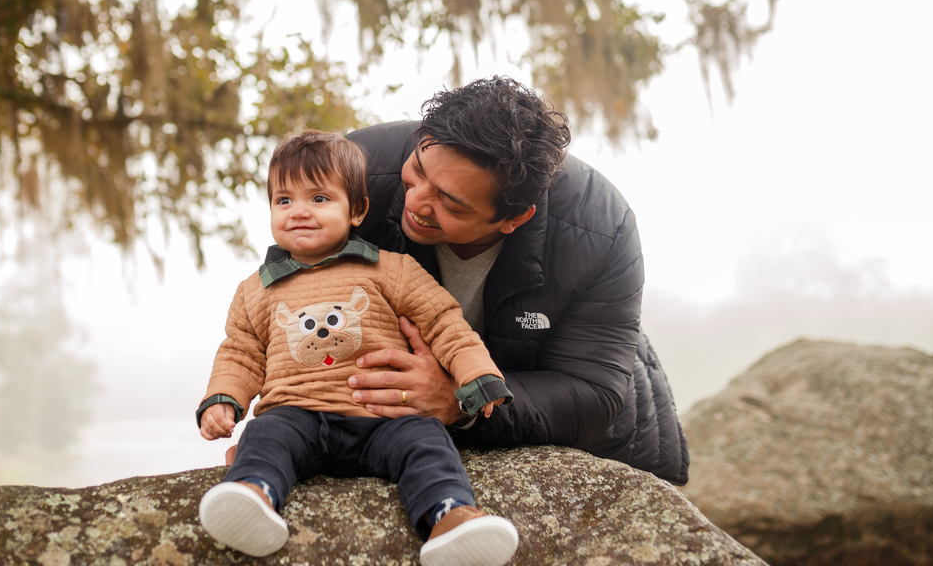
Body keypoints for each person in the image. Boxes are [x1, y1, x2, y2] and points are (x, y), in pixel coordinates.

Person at [196, 130, 519, 565]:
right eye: (284, 200)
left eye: (319, 199)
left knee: (425, 439)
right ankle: (253, 495)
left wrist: (476, 374)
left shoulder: (391, 270)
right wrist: (224, 400)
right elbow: (240, 352)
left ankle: (449, 518)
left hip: (383, 420)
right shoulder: (256, 290)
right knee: (265, 435)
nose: (300, 213)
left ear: (357, 210)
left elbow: (445, 323)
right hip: (298, 416)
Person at [346, 76, 689, 485]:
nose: (416, 201)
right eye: (417, 169)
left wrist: (460, 401)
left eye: (450, 202)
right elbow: (283, 294)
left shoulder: (601, 228)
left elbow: (590, 392)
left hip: (593, 446)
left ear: (515, 218)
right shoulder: (354, 171)